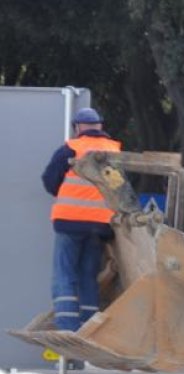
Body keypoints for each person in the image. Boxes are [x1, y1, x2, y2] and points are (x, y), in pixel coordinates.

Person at [41, 107, 121, 332]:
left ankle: (67, 326)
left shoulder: (71, 148)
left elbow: (49, 181)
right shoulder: (114, 150)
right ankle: (89, 325)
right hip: (101, 224)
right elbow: (120, 187)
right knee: (88, 275)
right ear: (100, 126)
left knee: (64, 274)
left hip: (70, 221)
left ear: (77, 127)